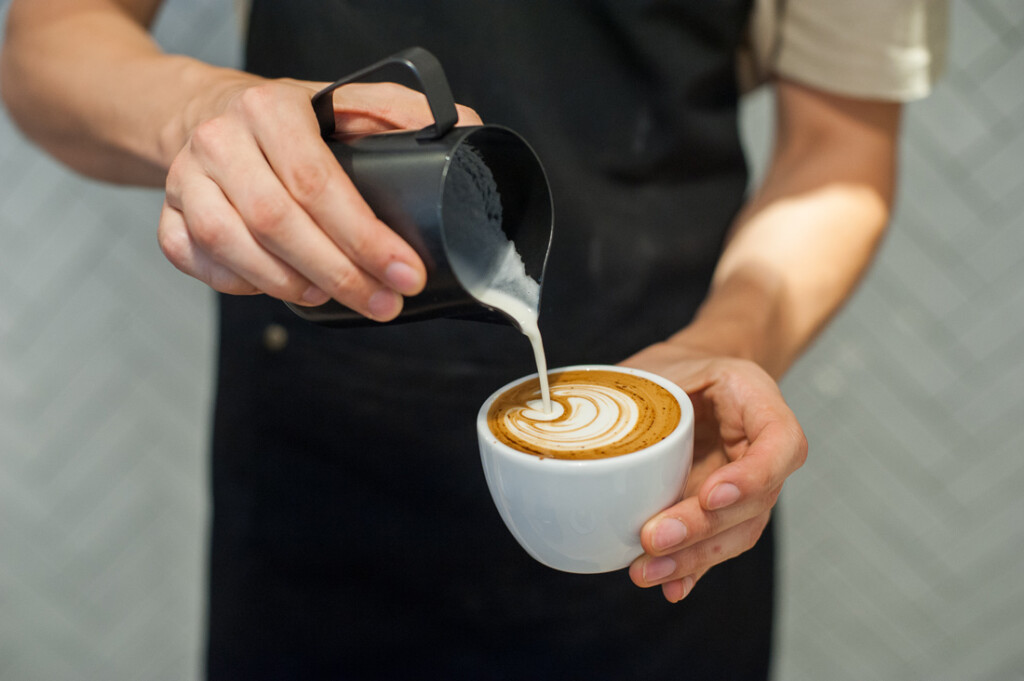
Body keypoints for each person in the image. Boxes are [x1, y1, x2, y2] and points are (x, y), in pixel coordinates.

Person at [1, 0, 947, 678]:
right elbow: (46, 44)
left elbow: (839, 150)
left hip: (667, 487)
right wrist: (194, 112)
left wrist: (732, 336)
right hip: (315, 496)